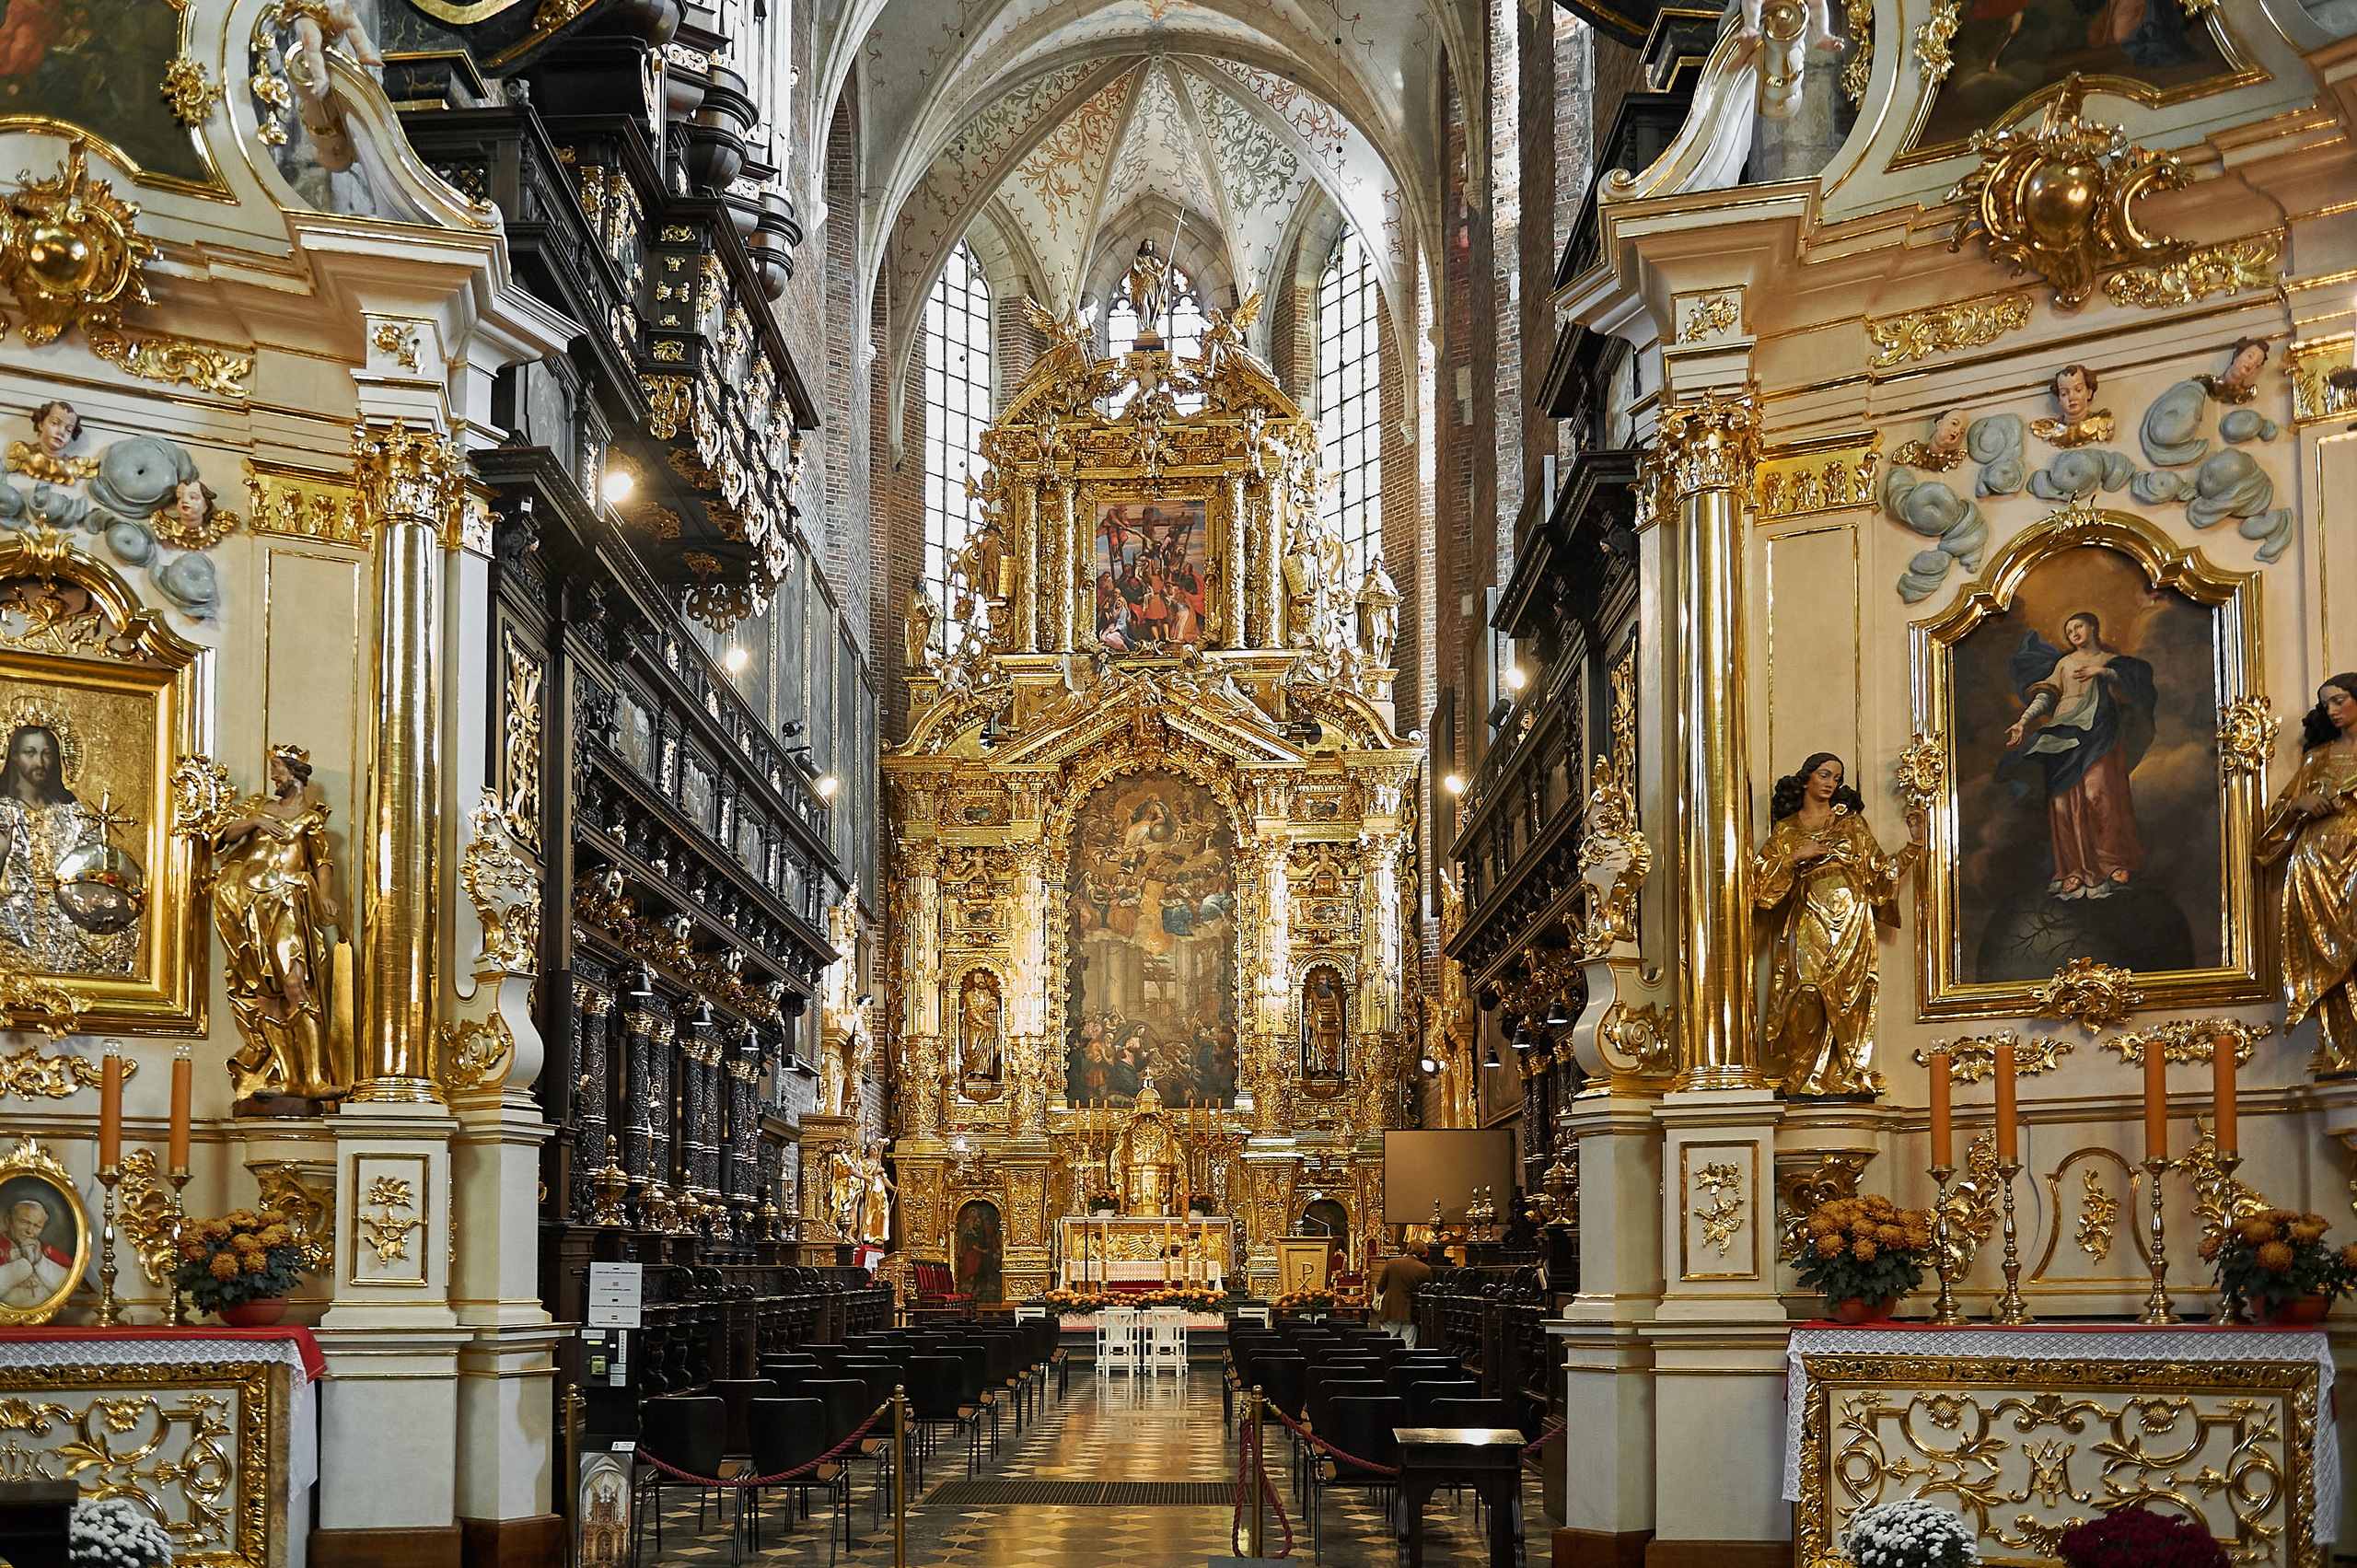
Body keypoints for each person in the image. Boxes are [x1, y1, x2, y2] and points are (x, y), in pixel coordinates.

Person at [1751, 754, 1925, 1097]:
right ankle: (1804, 1074)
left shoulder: (1852, 824)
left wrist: (1914, 844)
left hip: (1851, 919)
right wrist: (1796, 856)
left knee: (1849, 996)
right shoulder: (1786, 829)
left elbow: (1880, 871)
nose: (1831, 782)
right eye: (1824, 775)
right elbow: (1759, 881)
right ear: (1806, 779)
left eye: (1837, 777)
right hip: (1809, 914)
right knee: (1805, 991)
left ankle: (1842, 1075)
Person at [211, 745, 346, 1101]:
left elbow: (322, 862)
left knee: (294, 982)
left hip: (287, 903)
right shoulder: (258, 807)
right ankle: (289, 1079)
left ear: (296, 772)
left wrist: (325, 895)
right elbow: (223, 836)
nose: (274, 776)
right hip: (250, 906)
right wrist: (255, 822)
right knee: (264, 994)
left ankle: (315, 1078)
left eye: (278, 769)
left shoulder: (311, 819)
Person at [1997, 610, 2156, 900]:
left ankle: (2111, 863)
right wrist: (2023, 721)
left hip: (2099, 733)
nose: (2073, 634)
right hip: (2063, 735)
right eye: (2069, 631)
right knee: (2063, 804)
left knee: (2099, 796)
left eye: (2078, 627)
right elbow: (2046, 696)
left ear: (2093, 627)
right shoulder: (2065, 663)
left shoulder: (2109, 660)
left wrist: (2102, 672)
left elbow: (2137, 682)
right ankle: (2074, 869)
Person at [2258, 676, 2357, 1074]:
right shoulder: (2317, 758)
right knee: (2324, 948)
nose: (2332, 710)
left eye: (2339, 700)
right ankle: (2340, 1052)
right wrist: (2301, 802)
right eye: (2326, 704)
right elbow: (2279, 816)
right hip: (2316, 863)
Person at [0, 720, 107, 970]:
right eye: (30, 753)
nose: (40, 762)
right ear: (13, 756)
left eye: (46, 754)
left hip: (63, 935)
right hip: (10, 929)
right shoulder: (3, 811)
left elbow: (92, 867)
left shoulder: (71, 814)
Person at [0, 1197, 70, 1309]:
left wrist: (39, 1261)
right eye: (24, 1222)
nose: (29, 1230)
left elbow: (70, 1285)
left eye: (36, 1226)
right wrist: (24, 1265)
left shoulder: (47, 1251)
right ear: (8, 1220)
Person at [1376, 1242, 1433, 1347]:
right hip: (1410, 1311)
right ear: (1423, 1252)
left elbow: (1380, 1287)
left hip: (1391, 1309)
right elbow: (1427, 1290)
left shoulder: (1392, 1263)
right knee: (1408, 1345)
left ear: (1408, 1248)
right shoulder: (1424, 1269)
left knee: (1387, 1343)